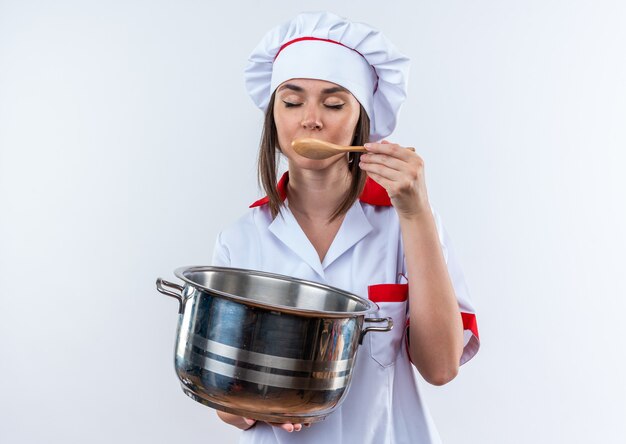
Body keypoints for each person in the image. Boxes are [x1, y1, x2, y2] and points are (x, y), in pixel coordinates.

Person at [211, 11, 480, 444]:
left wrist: (416, 213)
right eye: (292, 101)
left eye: (334, 103)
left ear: (361, 119)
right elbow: (226, 393)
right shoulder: (240, 239)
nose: (310, 119)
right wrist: (250, 407)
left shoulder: (407, 223)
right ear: (273, 116)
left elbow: (441, 367)